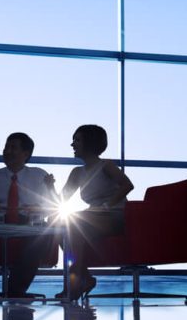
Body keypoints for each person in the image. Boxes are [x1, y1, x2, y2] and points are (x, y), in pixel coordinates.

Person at [0, 132, 56, 300]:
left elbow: (52, 205)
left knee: (42, 233)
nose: (7, 151)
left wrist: (38, 208)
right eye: (6, 147)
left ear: (26, 154)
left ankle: (15, 290)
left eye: (13, 147)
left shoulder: (39, 175)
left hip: (27, 222)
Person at [57, 125, 133, 300]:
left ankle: (76, 283)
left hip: (115, 215)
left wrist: (106, 206)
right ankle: (84, 278)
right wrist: (48, 187)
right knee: (60, 226)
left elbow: (127, 185)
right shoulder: (77, 173)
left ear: (89, 143)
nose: (72, 144)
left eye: (77, 140)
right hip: (92, 217)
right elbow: (62, 199)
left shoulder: (105, 165)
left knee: (76, 224)